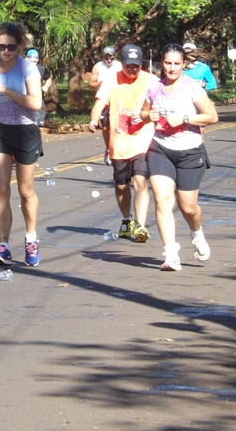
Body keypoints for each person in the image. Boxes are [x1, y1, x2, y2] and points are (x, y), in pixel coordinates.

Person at [140, 43, 219, 271]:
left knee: (188, 207)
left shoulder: (192, 87)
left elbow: (211, 116)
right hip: (160, 147)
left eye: (176, 64)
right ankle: (170, 253)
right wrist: (149, 115)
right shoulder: (155, 87)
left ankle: (197, 234)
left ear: (184, 64)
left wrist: (185, 119)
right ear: (161, 63)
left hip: (190, 151)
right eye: (167, 63)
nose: (172, 68)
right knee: (162, 199)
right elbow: (143, 113)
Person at [0, 22, 44, 267]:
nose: (6, 51)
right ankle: (4, 245)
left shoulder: (28, 69)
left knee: (25, 191)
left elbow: (36, 103)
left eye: (10, 46)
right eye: (1, 46)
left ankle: (31, 238)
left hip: (25, 131)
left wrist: (5, 90)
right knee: (2, 189)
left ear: (19, 45)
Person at [88, 44, 157, 243]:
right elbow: (99, 104)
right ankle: (127, 220)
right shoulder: (112, 79)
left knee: (141, 182)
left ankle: (141, 226)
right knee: (121, 186)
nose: (132, 70)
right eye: (128, 66)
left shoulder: (151, 81)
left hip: (143, 140)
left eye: (136, 66)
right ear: (122, 64)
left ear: (141, 64)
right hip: (119, 142)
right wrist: (93, 120)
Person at [89, 45, 121, 165]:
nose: (108, 60)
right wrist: (100, 83)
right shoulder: (98, 67)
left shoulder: (119, 66)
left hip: (117, 98)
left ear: (114, 57)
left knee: (117, 126)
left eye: (110, 58)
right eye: (106, 57)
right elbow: (91, 83)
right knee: (106, 127)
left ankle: (116, 149)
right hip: (103, 99)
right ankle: (108, 148)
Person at [26, 48, 52, 126]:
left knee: (37, 120)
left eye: (35, 61)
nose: (33, 63)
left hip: (37, 98)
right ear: (26, 59)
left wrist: (46, 86)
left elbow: (48, 79)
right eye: (31, 61)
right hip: (23, 97)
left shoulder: (41, 68)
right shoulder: (20, 68)